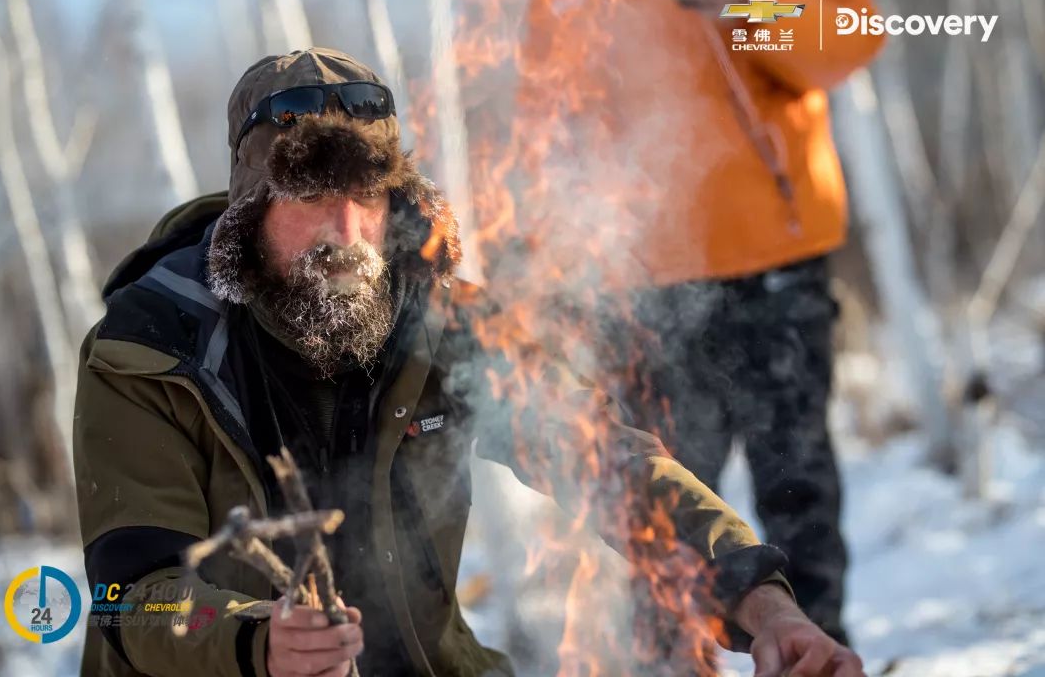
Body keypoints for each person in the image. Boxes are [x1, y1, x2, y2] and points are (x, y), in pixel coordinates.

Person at [74, 48, 864, 677]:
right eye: (312, 196)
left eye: (368, 196)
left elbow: (615, 467)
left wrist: (768, 607)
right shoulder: (152, 352)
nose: (346, 233)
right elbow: (129, 599)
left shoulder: (445, 320)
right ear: (251, 215)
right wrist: (253, 643)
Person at [516, 0, 886, 645]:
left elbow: (855, 35)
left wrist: (749, 6)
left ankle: (815, 652)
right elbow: (546, 135)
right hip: (645, 292)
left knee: (798, 494)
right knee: (663, 514)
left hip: (775, 267)